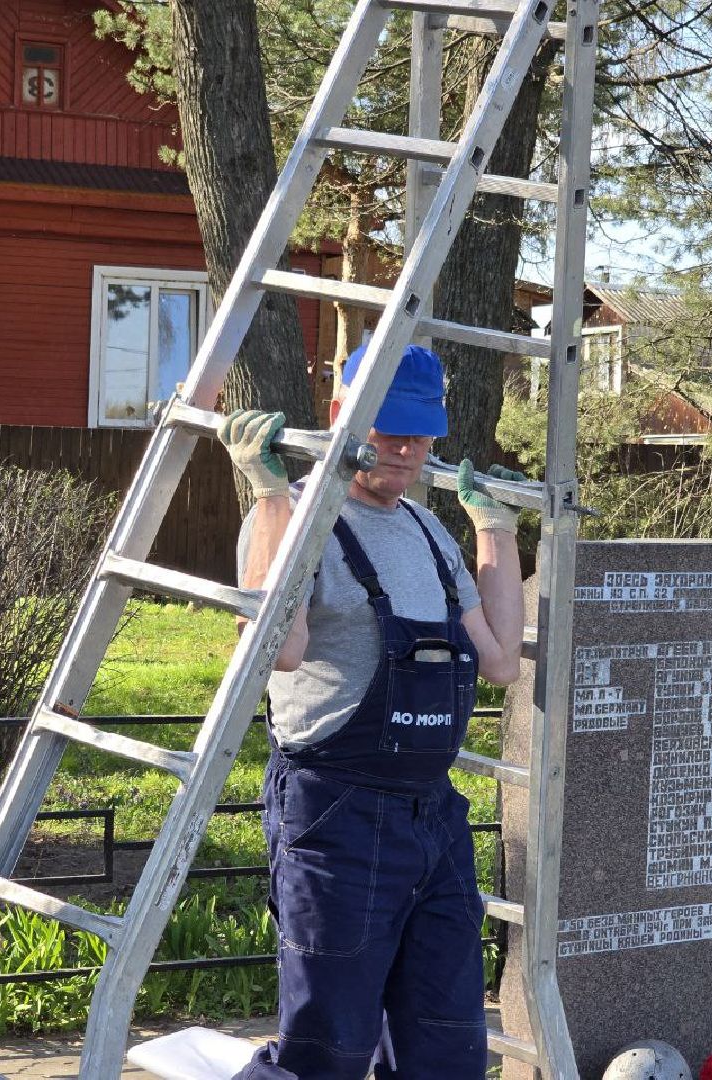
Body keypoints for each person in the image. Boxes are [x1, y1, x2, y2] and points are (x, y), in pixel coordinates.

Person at [220, 343, 525, 1080]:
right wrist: (269, 499)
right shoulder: (300, 520)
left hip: (432, 818)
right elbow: (276, 652)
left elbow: (501, 660)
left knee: (447, 1042)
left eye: (420, 433)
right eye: (389, 430)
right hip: (337, 815)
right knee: (330, 1043)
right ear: (340, 417)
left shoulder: (428, 532)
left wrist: (496, 530)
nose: (406, 449)